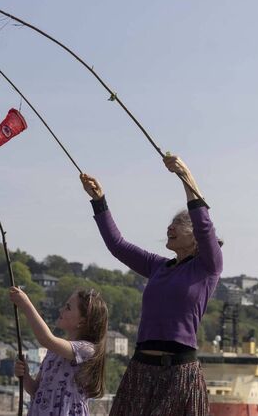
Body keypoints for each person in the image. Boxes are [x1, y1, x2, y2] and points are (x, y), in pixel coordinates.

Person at [80, 154, 223, 415]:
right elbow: (117, 245)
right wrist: (99, 201)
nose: (170, 227)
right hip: (141, 369)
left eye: (179, 224)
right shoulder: (158, 266)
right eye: (171, 223)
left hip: (179, 375)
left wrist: (186, 177)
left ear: (196, 239)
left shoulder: (208, 267)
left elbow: (204, 223)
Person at [10, 287, 108, 416]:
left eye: (68, 307)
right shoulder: (53, 352)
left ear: (83, 321)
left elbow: (46, 339)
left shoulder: (87, 350)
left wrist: (26, 304)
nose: (61, 310)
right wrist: (25, 376)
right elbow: (36, 390)